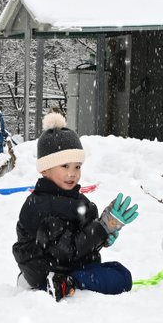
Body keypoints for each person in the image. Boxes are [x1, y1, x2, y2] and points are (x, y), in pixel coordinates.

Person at [12, 112, 139, 301]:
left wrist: (103, 237)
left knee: (118, 270)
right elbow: (67, 252)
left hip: (68, 263)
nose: (72, 173)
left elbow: (79, 241)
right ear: (45, 169)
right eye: (65, 166)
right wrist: (101, 228)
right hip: (50, 267)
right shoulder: (42, 206)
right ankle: (60, 282)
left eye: (77, 166)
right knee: (121, 279)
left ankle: (62, 280)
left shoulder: (74, 200)